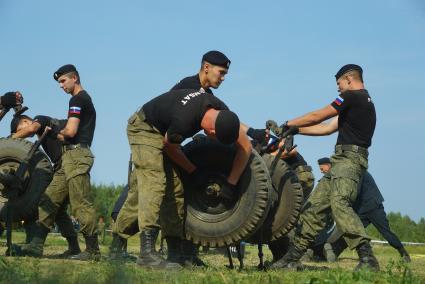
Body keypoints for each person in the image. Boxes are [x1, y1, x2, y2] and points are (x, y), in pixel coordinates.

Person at [120, 88, 251, 269]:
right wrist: (194, 171)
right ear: (212, 132)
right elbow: (170, 146)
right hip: (144, 128)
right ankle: (146, 254)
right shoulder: (184, 121)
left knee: (175, 188)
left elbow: (245, 145)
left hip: (166, 131)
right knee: (155, 183)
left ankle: (175, 253)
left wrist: (231, 182)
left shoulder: (222, 112)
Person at [271, 64, 379, 271]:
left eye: (339, 84)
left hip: (349, 160)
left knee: (340, 204)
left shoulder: (351, 97)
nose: (338, 89)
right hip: (340, 160)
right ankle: (291, 258)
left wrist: (287, 123)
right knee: (314, 208)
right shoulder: (362, 102)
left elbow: (319, 116)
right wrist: (296, 129)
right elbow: (327, 128)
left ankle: (368, 259)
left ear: (348, 79)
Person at [10, 114, 82, 258]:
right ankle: (74, 247)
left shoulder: (40, 120)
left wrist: (11, 139)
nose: (21, 134)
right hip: (68, 163)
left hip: (69, 162)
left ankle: (36, 246)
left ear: (25, 121)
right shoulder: (43, 133)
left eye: (19, 129)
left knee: (47, 200)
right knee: (59, 210)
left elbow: (32, 128)